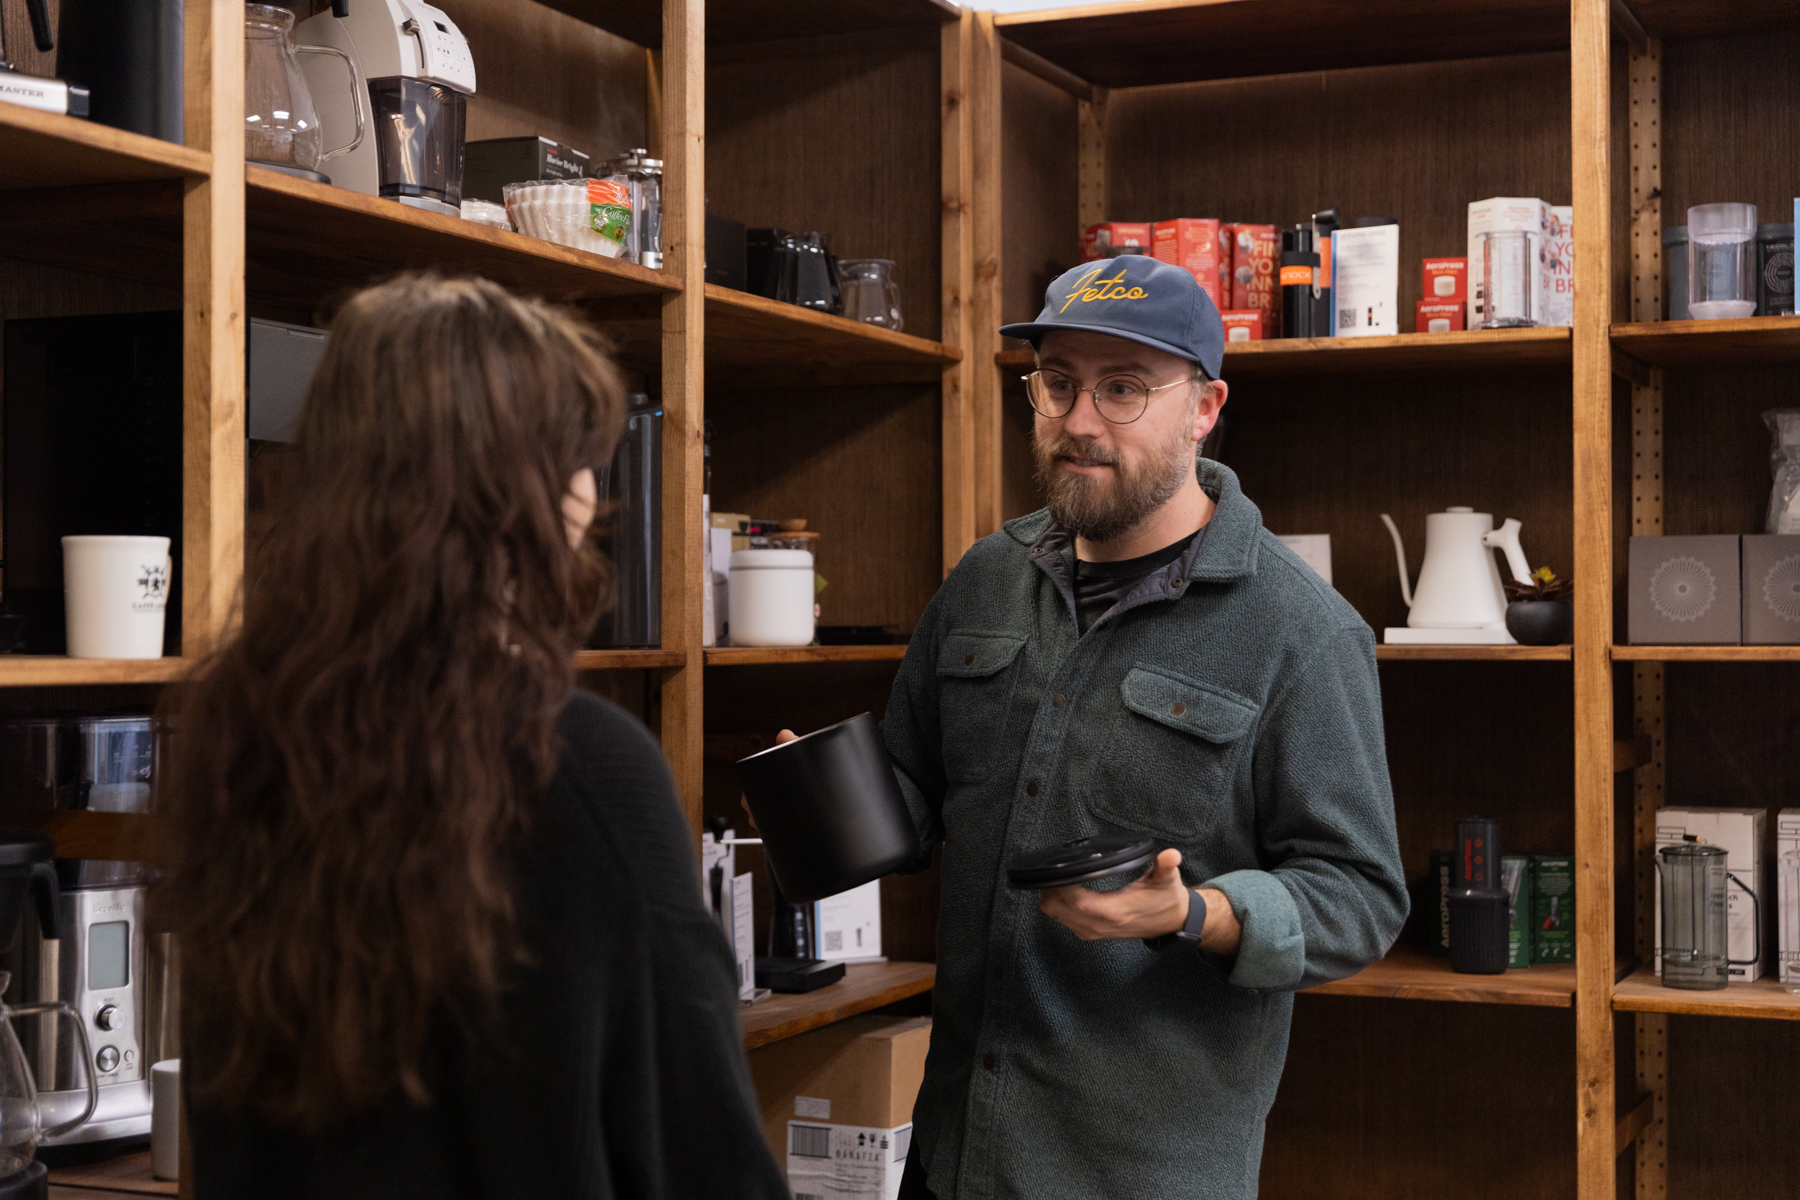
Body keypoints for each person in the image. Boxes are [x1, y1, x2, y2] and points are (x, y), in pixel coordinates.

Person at [158, 275, 788, 1200]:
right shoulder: (582, 765)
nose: (588, 494)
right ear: (514, 490)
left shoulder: (241, 742)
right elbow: (707, 1156)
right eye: (576, 460)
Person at [881, 256, 1409, 1199]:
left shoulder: (1302, 632)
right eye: (1057, 383)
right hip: (954, 1156)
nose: (1079, 421)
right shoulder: (985, 580)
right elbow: (912, 785)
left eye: (1124, 387)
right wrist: (826, 792)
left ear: (1205, 407)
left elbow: (1360, 896)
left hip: (1140, 1174)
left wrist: (1193, 913)